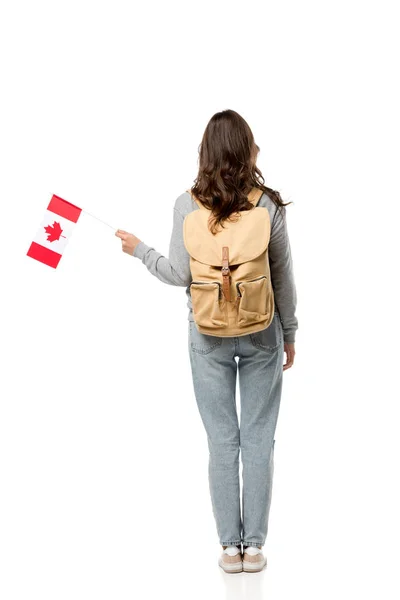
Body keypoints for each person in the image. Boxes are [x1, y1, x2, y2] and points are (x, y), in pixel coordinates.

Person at [115, 109, 298, 573]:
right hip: (262, 332)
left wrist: (140, 250)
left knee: (223, 442)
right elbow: (282, 277)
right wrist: (290, 332)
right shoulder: (267, 205)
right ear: (248, 148)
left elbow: (179, 275)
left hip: (206, 336)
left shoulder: (187, 204)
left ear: (206, 152)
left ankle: (229, 550)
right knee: (259, 440)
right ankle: (254, 548)